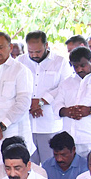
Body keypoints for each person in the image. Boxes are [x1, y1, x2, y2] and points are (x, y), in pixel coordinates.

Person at [18, 31, 72, 165]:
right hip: (26, 123)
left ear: (46, 45)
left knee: (51, 165)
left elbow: (65, 86)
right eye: (30, 51)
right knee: (29, 166)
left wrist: (42, 101)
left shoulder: (60, 62)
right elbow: (15, 86)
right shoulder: (20, 62)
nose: (34, 55)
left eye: (38, 51)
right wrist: (30, 103)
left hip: (50, 124)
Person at [53, 46, 91, 158]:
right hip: (70, 139)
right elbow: (56, 104)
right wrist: (66, 111)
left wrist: (90, 110)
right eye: (75, 66)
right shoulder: (67, 82)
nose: (79, 69)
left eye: (82, 65)